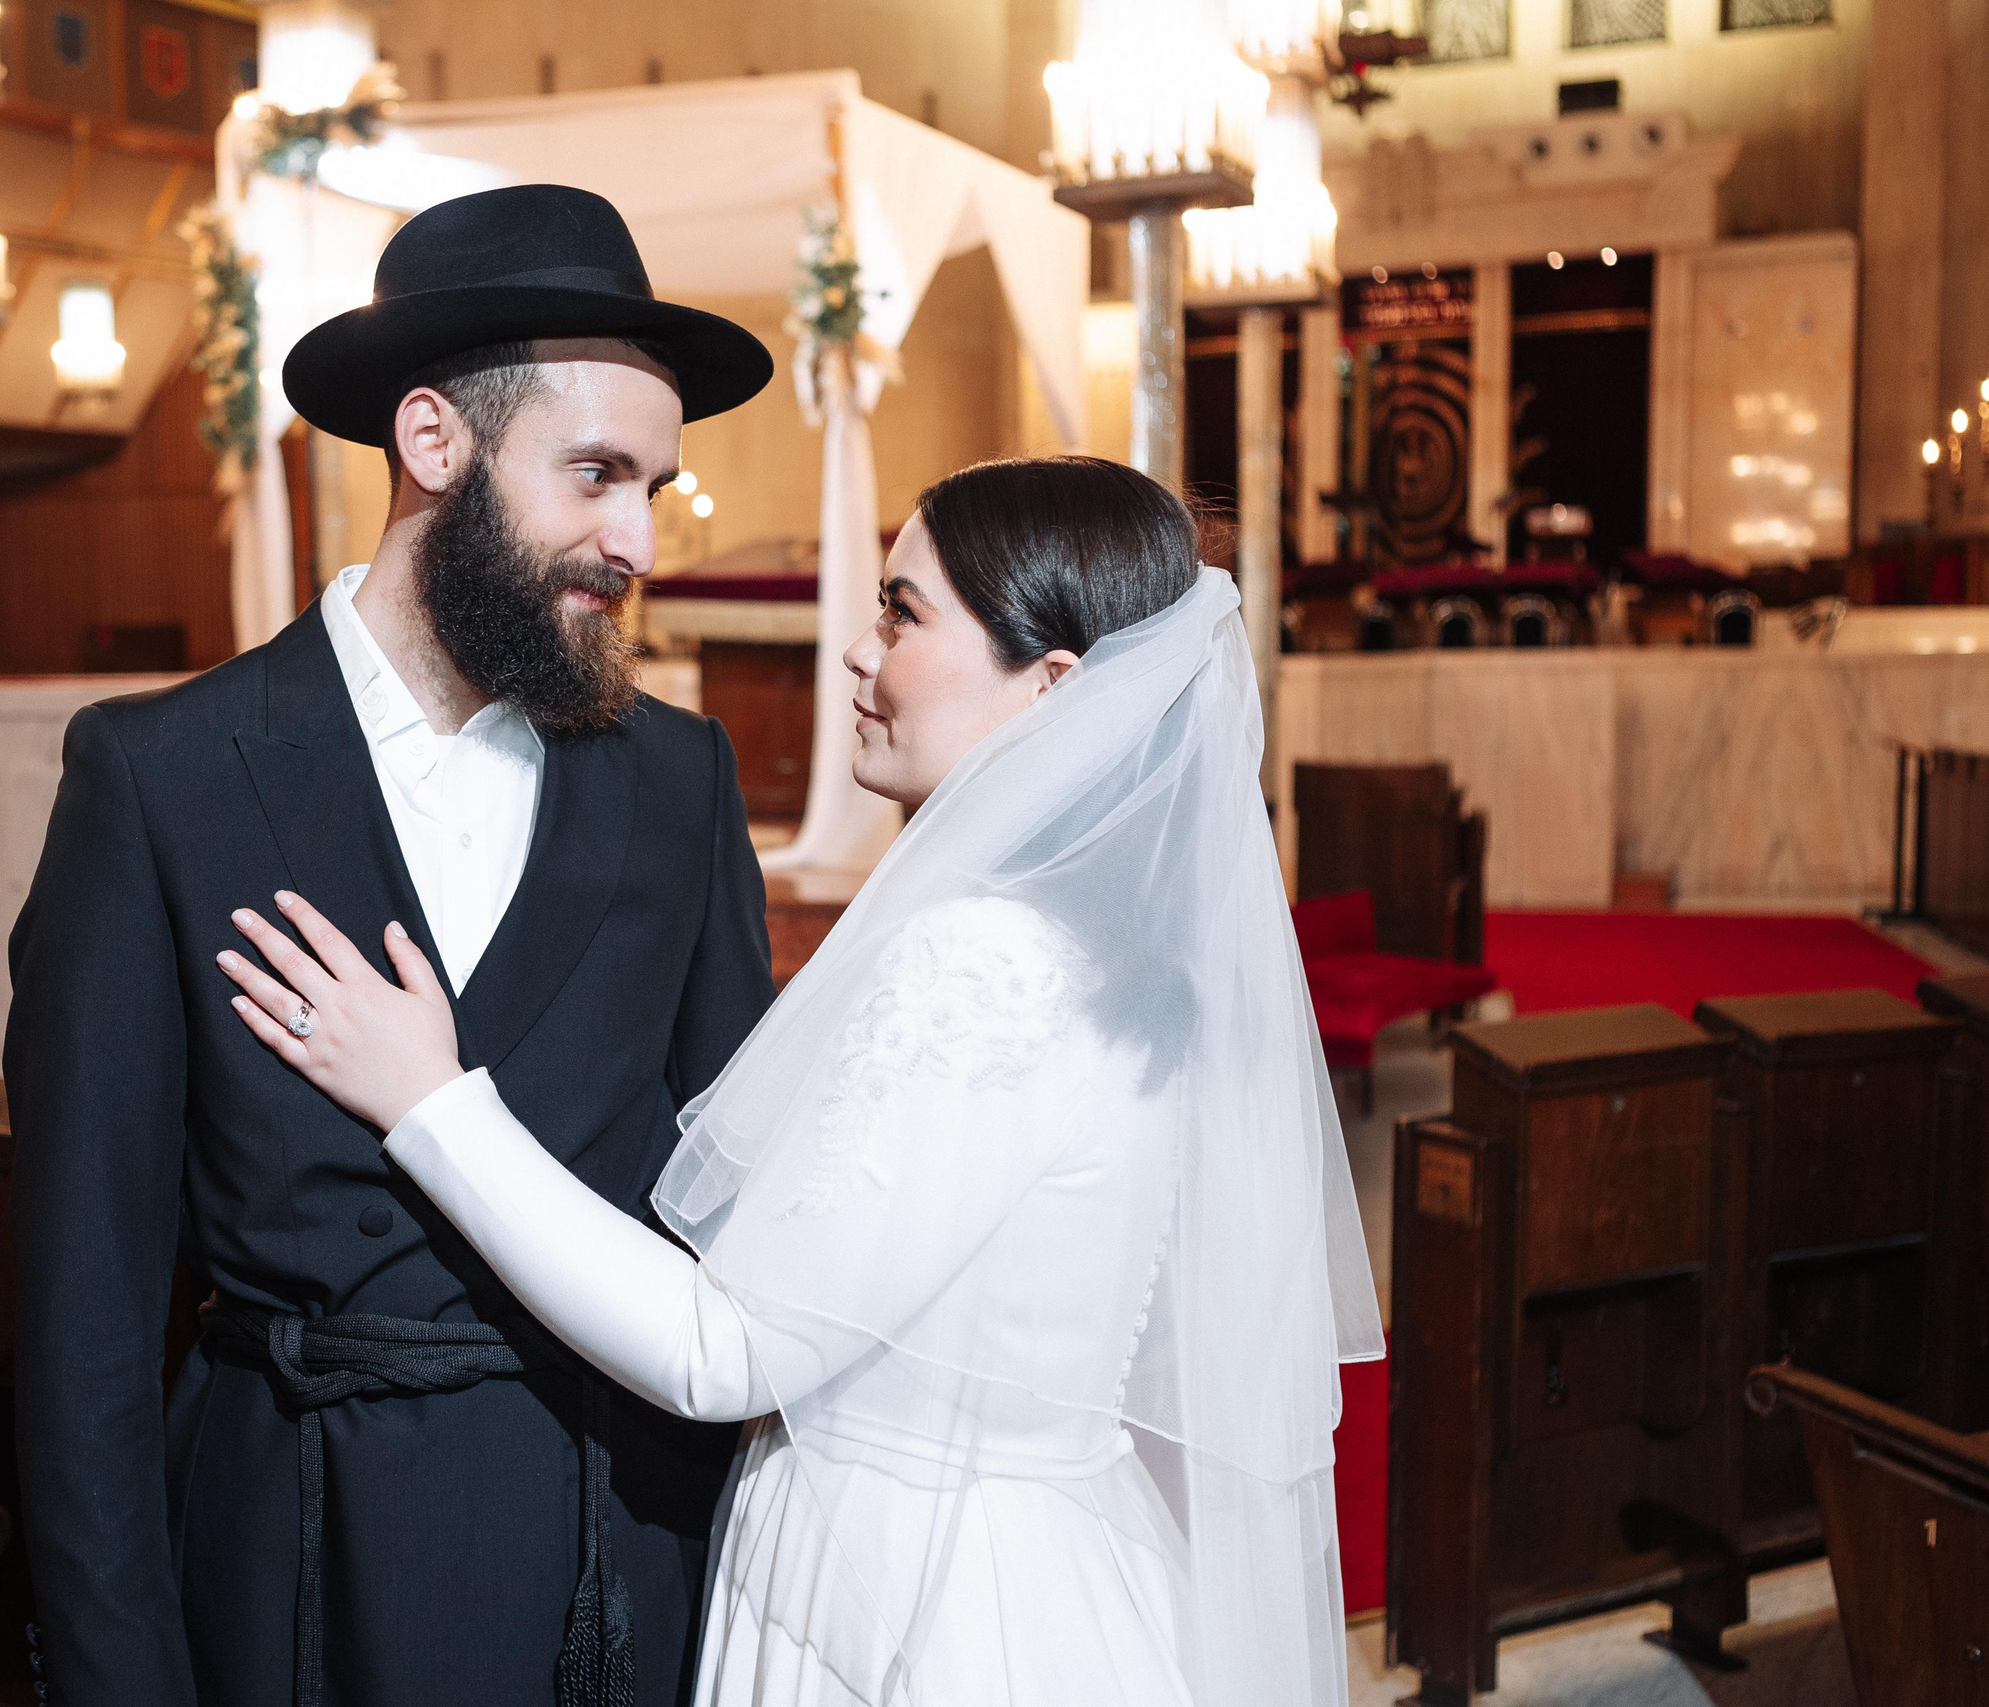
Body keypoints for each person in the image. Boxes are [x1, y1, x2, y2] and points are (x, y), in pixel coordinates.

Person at [216, 456, 1388, 1706]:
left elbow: (726, 1352)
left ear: (1052, 690)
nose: (858, 651)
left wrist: (432, 1103)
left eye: (905, 611)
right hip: (1044, 1550)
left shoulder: (985, 962)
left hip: (918, 1602)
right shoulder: (1110, 954)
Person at [4, 183, 780, 1707]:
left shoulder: (681, 784)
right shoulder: (161, 775)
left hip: (603, 1560)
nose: (636, 540)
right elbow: (87, 1317)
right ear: (435, 443)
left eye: (655, 488)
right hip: (289, 1563)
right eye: (597, 474)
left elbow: (735, 1218)